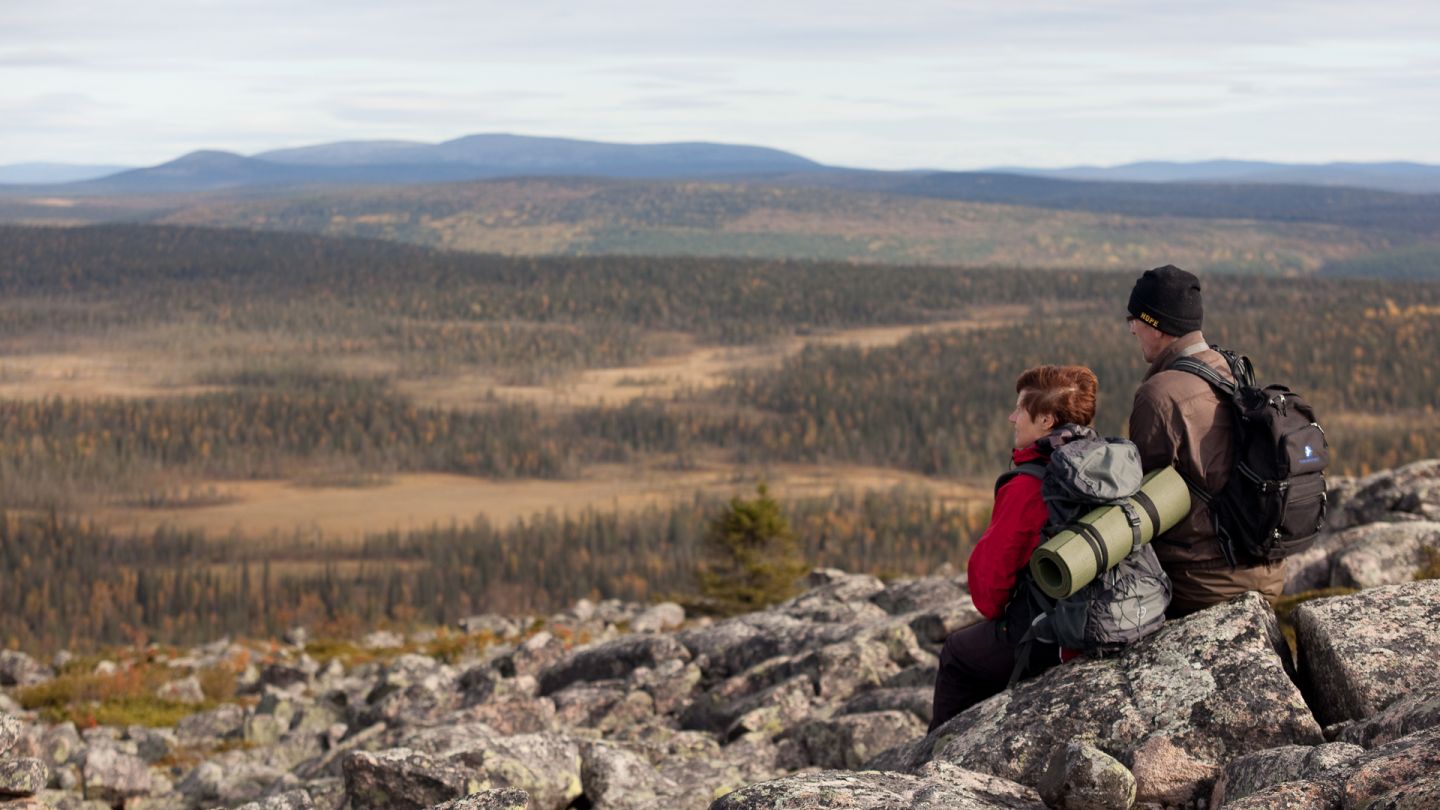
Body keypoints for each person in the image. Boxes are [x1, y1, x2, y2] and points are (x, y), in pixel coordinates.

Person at [929, 364, 1095, 732]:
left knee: (958, 653)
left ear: (1047, 420)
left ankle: (936, 766)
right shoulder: (1097, 467)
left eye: (1021, 409)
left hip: (1052, 634)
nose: (1012, 417)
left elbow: (989, 593)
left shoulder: (1029, 486)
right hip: (1098, 618)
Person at [1125, 264, 1284, 617]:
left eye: (1134, 319)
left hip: (1201, 583)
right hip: (1269, 572)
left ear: (1156, 325)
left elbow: (1142, 500)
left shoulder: (1158, 395)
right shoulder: (1234, 368)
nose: (1132, 329)